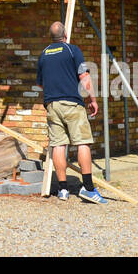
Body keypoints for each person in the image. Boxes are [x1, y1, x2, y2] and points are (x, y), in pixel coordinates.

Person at [36, 21, 106, 203]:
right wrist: (93, 100)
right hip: (72, 104)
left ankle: (63, 189)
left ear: (51, 37)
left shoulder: (44, 54)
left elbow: (41, 83)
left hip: (52, 105)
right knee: (83, 142)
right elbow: (84, 77)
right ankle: (89, 188)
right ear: (65, 35)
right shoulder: (72, 50)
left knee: (58, 145)